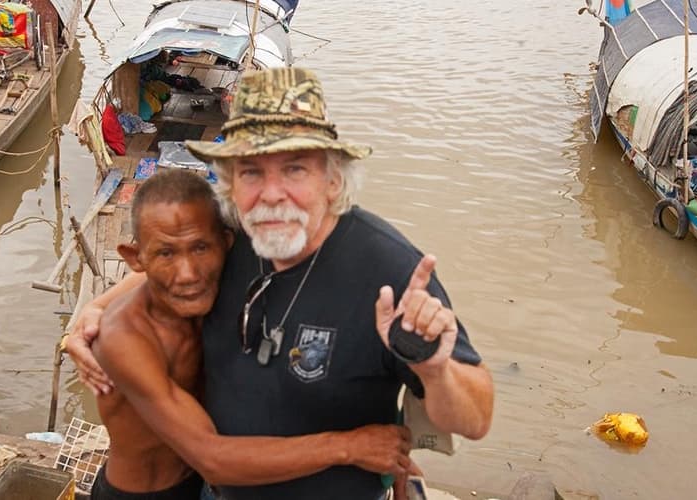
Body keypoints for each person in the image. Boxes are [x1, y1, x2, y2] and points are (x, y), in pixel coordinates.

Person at [68, 67, 494, 500]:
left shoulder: (391, 272)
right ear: (231, 184)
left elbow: (475, 420)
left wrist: (433, 367)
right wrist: (92, 313)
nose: (272, 193)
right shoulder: (235, 234)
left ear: (332, 178)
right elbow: (163, 271)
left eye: (293, 169)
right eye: (251, 172)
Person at [89, 169, 417, 500]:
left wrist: (396, 467)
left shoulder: (213, 295)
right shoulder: (124, 338)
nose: (188, 274)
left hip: (204, 487)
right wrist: (351, 446)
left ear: (228, 245)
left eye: (201, 248)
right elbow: (212, 458)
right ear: (136, 258)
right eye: (166, 254)